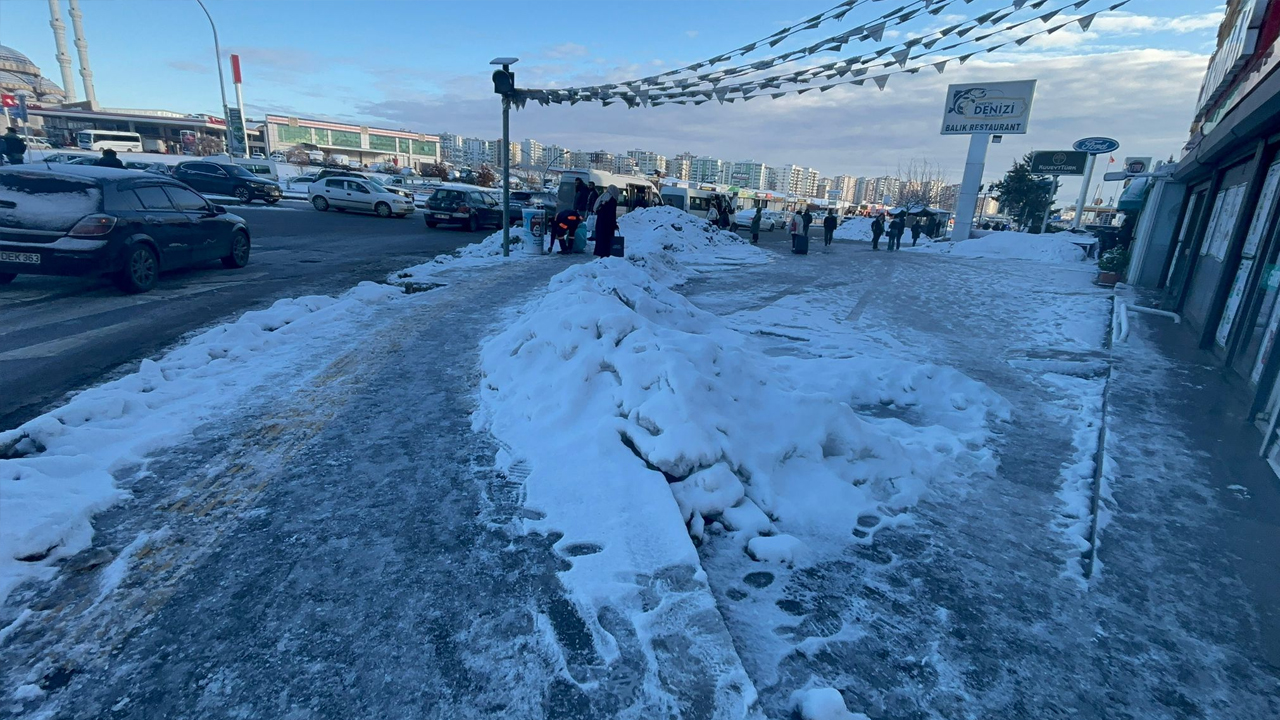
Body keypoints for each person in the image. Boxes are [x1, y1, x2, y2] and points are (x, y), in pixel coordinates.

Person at [592, 185, 620, 258]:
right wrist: (614, 225)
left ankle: (601, 254)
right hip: (607, 225)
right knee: (607, 241)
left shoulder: (603, 197)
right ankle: (606, 256)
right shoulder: (612, 200)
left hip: (600, 222)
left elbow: (598, 210)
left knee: (601, 240)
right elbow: (611, 214)